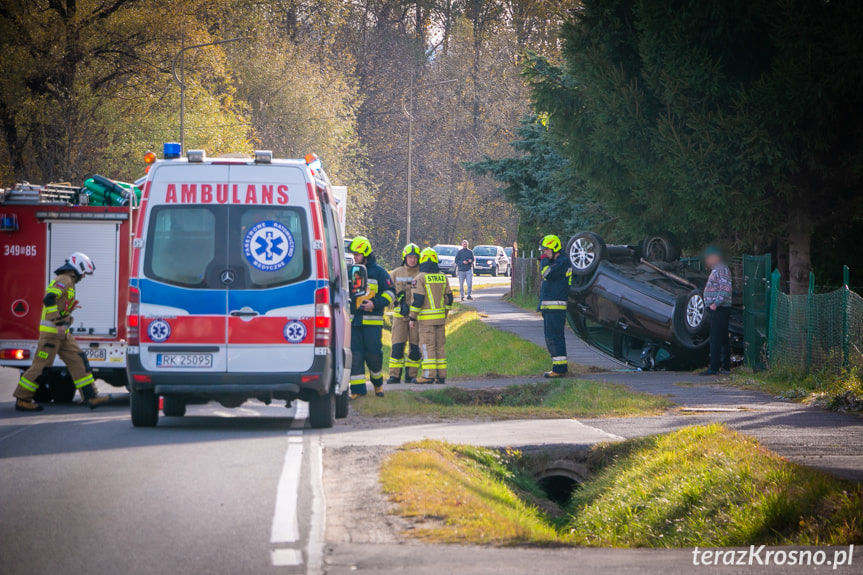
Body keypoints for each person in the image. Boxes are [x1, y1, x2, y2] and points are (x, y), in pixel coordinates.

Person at [13, 252, 112, 412]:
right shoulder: (64, 280)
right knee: (41, 366)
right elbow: (49, 299)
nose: (84, 277)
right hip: (51, 335)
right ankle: (23, 399)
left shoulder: (69, 281)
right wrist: (58, 322)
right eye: (84, 273)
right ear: (77, 268)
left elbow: (58, 302)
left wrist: (66, 311)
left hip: (62, 333)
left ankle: (91, 397)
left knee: (79, 361)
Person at [348, 236, 396, 398]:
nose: (355, 257)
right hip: (354, 322)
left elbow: (391, 293)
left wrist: (374, 304)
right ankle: (358, 391)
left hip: (373, 323)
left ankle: (377, 384)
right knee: (355, 356)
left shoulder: (380, 272)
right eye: (354, 254)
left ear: (366, 254)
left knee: (373, 355)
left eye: (358, 254)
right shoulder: (351, 272)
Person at [409, 248, 454, 384]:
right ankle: (441, 375)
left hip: (426, 322)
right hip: (440, 320)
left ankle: (428, 376)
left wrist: (412, 317)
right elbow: (450, 299)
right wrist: (444, 314)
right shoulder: (443, 276)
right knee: (439, 347)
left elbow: (418, 300)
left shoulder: (420, 278)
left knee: (427, 347)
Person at [388, 243, 422, 384]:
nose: (412, 260)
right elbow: (388, 294)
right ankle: (394, 376)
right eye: (410, 257)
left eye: (415, 257)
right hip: (399, 317)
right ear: (405, 257)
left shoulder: (422, 274)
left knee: (415, 346)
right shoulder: (396, 273)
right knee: (397, 346)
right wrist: (397, 303)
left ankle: (411, 375)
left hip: (416, 317)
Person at [538, 235, 571, 378]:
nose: (544, 253)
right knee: (552, 337)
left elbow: (547, 273)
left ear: (555, 248)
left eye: (546, 250)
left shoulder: (562, 262)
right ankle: (558, 367)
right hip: (550, 308)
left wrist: (544, 261)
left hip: (555, 308)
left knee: (555, 338)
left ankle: (559, 369)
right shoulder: (557, 261)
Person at [700, 246, 733, 376]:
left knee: (716, 337)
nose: (707, 261)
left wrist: (715, 303)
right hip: (719, 308)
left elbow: (726, 288)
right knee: (723, 337)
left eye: (709, 258)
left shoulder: (721, 269)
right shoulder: (717, 269)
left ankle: (714, 367)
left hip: (720, 308)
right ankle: (725, 366)